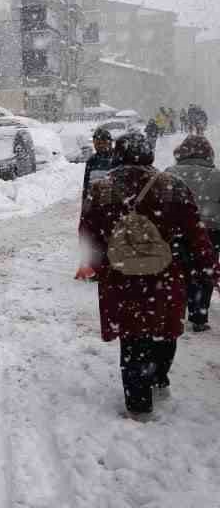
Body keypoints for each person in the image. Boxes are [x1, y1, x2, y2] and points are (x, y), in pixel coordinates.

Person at [80, 132, 216, 417]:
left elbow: (88, 234)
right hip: (164, 276)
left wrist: (96, 265)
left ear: (118, 154)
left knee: (132, 339)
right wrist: (208, 266)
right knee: (164, 331)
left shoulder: (102, 189)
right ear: (149, 154)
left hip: (121, 278)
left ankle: (138, 403)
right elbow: (195, 232)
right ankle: (159, 378)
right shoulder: (172, 186)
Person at [166, 135, 220, 331]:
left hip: (178, 230)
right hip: (210, 231)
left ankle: (178, 309)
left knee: (179, 270)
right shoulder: (217, 175)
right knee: (205, 270)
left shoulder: (170, 174)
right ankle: (199, 315)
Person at [80, 128, 115, 211]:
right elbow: (86, 185)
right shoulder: (91, 161)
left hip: (114, 204)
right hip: (95, 205)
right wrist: (85, 205)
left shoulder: (117, 158)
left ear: (110, 142)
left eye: (103, 143)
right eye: (96, 143)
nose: (99, 146)